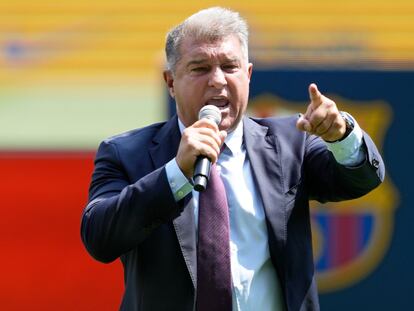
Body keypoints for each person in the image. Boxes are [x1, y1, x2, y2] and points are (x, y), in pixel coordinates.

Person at [81, 7, 384, 311]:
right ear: (171, 82)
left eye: (229, 67)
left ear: (248, 75)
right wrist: (175, 173)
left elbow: (361, 178)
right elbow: (100, 237)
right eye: (200, 68)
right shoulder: (126, 153)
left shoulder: (290, 141)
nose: (217, 81)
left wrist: (341, 134)